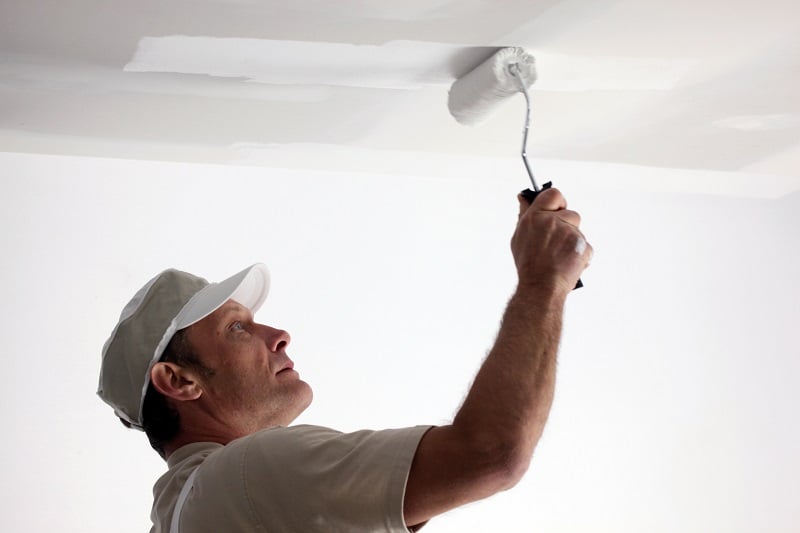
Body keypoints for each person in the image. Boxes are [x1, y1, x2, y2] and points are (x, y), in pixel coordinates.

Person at [98, 188, 592, 532]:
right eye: (237, 328)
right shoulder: (249, 476)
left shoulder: (184, 511)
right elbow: (491, 455)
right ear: (178, 380)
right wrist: (543, 281)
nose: (280, 335)